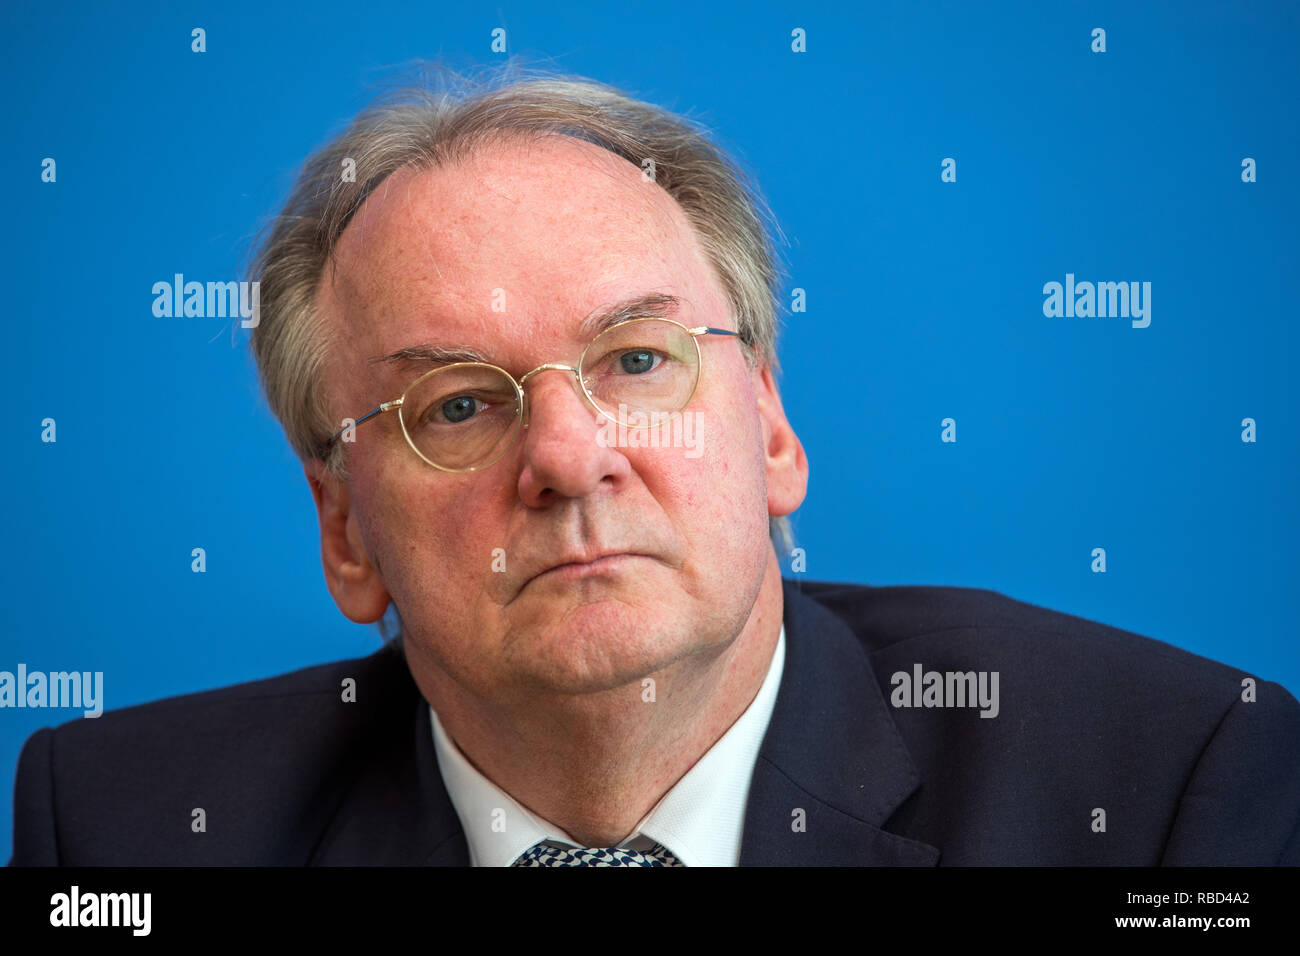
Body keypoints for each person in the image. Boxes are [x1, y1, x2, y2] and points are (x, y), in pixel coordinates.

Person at [10, 64, 1299, 866]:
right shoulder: (127, 829)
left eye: (636, 362)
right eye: (459, 406)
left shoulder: (1170, 786)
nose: (570, 462)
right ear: (345, 530)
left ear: (771, 428)